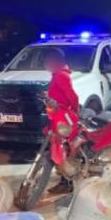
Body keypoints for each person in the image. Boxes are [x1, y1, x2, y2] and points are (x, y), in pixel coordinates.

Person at [44, 48, 80, 194]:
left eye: (48, 61)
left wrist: (75, 112)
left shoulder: (60, 75)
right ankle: (64, 178)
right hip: (57, 115)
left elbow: (73, 96)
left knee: (63, 147)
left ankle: (67, 181)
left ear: (56, 61)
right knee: (58, 146)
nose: (45, 64)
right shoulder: (57, 75)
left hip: (63, 117)